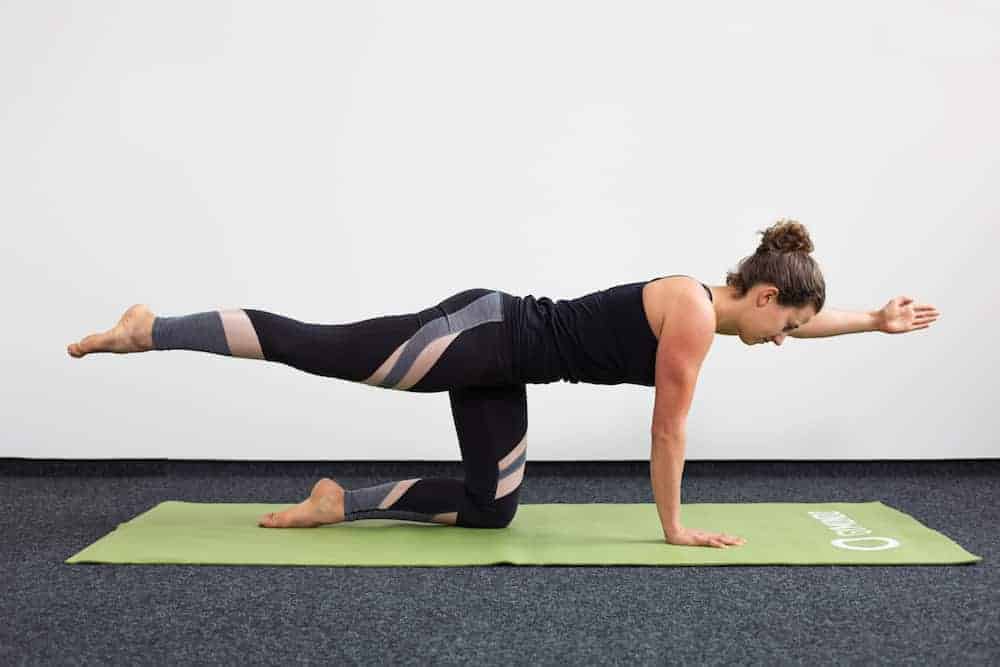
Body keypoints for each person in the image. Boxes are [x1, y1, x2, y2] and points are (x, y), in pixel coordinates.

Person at [65, 219, 940, 548]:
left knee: (493, 506)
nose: (784, 339)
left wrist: (870, 320)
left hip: (506, 364)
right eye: (785, 324)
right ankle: (153, 329)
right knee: (322, 347)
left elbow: (799, 321)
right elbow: (668, 432)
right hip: (481, 332)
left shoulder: (721, 309)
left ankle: (340, 501)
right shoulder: (694, 318)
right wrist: (673, 526)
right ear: (762, 295)